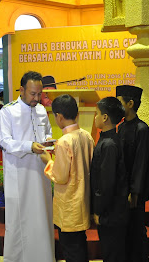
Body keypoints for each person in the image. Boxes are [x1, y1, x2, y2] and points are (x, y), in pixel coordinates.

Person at [0, 71, 55, 262]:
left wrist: (47, 141)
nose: (36, 99)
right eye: (32, 94)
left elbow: (47, 132)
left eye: (39, 94)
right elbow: (5, 142)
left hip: (41, 171)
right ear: (21, 90)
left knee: (42, 216)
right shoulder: (7, 111)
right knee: (20, 220)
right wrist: (28, 146)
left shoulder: (40, 110)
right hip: (19, 173)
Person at [40, 94, 95, 262]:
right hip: (84, 199)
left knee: (71, 249)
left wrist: (48, 161)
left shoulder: (64, 142)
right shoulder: (87, 135)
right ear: (77, 114)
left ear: (59, 117)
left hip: (69, 204)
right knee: (80, 244)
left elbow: (61, 176)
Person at [116, 85, 149, 262]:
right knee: (126, 231)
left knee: (137, 230)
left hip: (135, 192)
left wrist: (134, 192)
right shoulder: (121, 127)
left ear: (130, 103)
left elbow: (141, 163)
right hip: (124, 189)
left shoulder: (141, 129)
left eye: (120, 102)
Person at [91, 96, 128, 262]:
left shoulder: (109, 144)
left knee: (112, 253)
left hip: (110, 213)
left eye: (97, 114)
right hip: (112, 211)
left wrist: (99, 210)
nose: (95, 117)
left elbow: (106, 183)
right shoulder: (108, 139)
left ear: (105, 117)